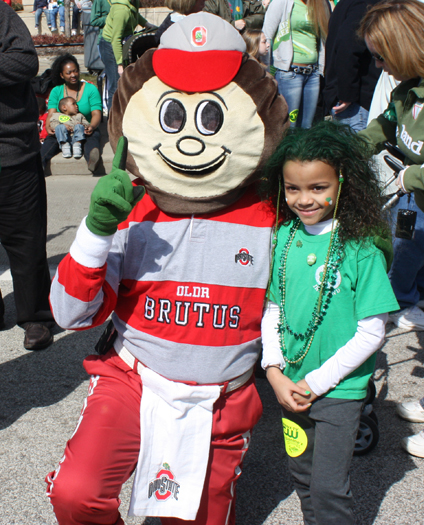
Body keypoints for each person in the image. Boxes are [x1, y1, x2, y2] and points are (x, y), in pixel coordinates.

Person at [45, 12, 288, 524]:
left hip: (221, 400)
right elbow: (70, 314)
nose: (190, 140)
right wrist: (95, 230)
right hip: (133, 380)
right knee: (76, 493)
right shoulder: (131, 204)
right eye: (174, 116)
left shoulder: (272, 212)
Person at [260, 121, 398, 524]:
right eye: (293, 188)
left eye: (318, 187)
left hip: (338, 390)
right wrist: (274, 372)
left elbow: (373, 330)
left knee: (329, 487)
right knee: (302, 475)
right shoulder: (283, 237)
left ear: (343, 184)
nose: (304, 199)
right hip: (290, 387)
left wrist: (317, 382)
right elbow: (273, 309)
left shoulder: (360, 248)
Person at [359, 0, 424, 458]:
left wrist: (412, 177)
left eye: (381, 55)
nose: (378, 65)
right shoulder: (408, 88)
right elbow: (385, 125)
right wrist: (348, 149)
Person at [0, 1, 54, 350]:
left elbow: (25, 60)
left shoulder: (2, 16)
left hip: (11, 151)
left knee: (26, 241)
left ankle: (35, 316)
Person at [262, 0, 330, 128]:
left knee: (307, 127)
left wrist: (321, 69)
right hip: (290, 74)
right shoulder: (281, 2)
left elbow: (323, 39)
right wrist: (266, 72)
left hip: (313, 74)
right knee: (289, 127)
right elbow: (267, 36)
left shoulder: (319, 4)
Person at [323, 0, 381, 132]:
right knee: (356, 150)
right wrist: (347, 93)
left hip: (352, 98)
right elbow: (347, 46)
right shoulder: (364, 4)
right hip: (356, 102)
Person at [41, 53, 103, 173]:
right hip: (63, 129)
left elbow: (96, 114)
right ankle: (39, 164)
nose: (73, 75)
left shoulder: (91, 89)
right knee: (49, 143)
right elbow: (51, 113)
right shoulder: (56, 91)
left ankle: (92, 159)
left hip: (84, 128)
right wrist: (49, 127)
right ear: (62, 75)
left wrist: (91, 126)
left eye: (75, 71)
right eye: (68, 73)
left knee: (92, 139)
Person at [99, 0, 152, 112]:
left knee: (125, 83)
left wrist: (146, 24)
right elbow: (115, 39)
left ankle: (125, 116)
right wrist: (119, 64)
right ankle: (112, 122)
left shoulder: (133, 3)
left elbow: (134, 13)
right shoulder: (121, 10)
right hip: (110, 46)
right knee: (116, 85)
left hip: (122, 43)